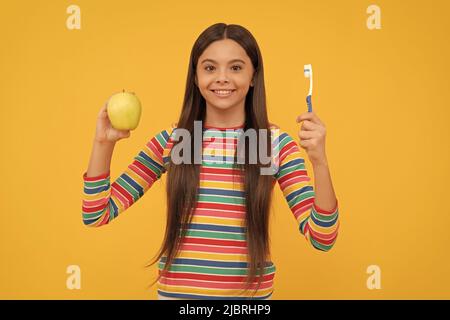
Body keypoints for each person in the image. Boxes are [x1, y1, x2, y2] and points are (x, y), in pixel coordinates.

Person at [82, 23, 340, 300]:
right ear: (195, 77)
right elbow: (97, 213)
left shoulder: (272, 145)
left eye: (236, 68)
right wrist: (103, 143)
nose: (222, 78)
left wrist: (320, 162)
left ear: (254, 76)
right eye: (209, 68)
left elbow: (322, 238)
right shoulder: (175, 141)